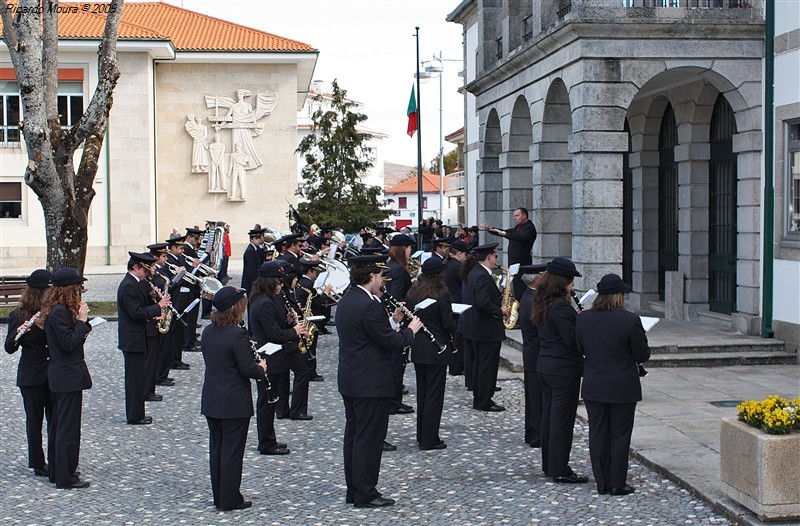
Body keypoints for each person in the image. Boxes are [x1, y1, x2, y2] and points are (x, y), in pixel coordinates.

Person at [337, 254, 422, 508]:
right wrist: (410, 331)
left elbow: (368, 332)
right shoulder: (369, 304)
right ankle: (365, 492)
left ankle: (355, 489)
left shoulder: (349, 299)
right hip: (370, 383)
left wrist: (392, 321)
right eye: (380, 276)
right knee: (369, 439)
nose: (383, 281)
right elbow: (390, 341)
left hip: (352, 379)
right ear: (371, 276)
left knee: (354, 436)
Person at [576, 273, 650, 496]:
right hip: (622, 384)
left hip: (595, 382)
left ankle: (601, 481)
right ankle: (617, 482)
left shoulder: (583, 319)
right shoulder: (629, 320)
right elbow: (642, 353)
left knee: (597, 433)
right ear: (619, 296)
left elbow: (580, 348)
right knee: (619, 434)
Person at [200, 286, 267, 511]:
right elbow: (248, 369)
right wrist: (261, 367)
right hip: (233, 401)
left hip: (212, 398)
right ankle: (229, 499)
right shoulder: (238, 333)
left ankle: (220, 494)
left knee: (217, 449)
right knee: (231, 452)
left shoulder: (209, 331)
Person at [531, 257, 587, 484]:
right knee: (561, 420)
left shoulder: (543, 301)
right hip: (562, 369)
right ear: (561, 282)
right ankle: (560, 468)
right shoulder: (561, 307)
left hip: (546, 365)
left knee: (550, 417)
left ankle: (550, 464)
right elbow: (572, 340)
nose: (572, 286)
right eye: (570, 281)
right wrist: (582, 323)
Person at [41, 267, 92, 489]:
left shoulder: (57, 310)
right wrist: (82, 322)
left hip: (63, 375)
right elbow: (69, 343)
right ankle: (65, 475)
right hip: (66, 376)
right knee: (67, 428)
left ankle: (57, 470)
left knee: (60, 425)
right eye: (77, 288)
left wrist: (82, 326)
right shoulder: (60, 312)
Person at [248, 261, 302, 455]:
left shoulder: (269, 300)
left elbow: (275, 325)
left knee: (271, 401)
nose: (282, 284)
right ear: (270, 282)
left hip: (275, 357)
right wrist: (294, 331)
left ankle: (270, 439)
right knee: (267, 401)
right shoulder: (263, 303)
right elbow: (273, 334)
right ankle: (266, 442)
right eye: (279, 281)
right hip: (268, 357)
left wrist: (287, 320)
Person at [4, 269, 53, 478]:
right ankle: (37, 462)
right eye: (48, 289)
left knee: (55, 418)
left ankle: (57, 458)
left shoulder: (53, 312)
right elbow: (9, 347)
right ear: (39, 291)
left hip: (53, 373)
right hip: (31, 375)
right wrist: (18, 333)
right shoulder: (19, 315)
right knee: (34, 420)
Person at [406, 257, 456, 450]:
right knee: (434, 396)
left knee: (423, 393)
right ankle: (429, 438)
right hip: (437, 349)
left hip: (418, 347)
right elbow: (447, 323)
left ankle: (422, 434)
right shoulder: (441, 293)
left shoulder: (413, 292)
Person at [117, 252, 171, 425]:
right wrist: (158, 307)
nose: (148, 274)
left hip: (139, 338)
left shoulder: (136, 283)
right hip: (133, 340)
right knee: (134, 380)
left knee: (139, 378)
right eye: (144, 270)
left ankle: (138, 412)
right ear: (135, 267)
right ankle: (134, 415)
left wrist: (153, 298)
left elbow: (142, 306)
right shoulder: (128, 286)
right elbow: (136, 313)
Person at [459, 243, 508, 412]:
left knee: (480, 365)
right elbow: (482, 303)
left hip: (476, 328)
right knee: (487, 366)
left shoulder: (474, 273)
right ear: (488, 257)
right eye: (495, 256)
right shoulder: (481, 275)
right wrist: (500, 310)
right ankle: (484, 400)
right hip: (485, 329)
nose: (496, 259)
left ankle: (480, 398)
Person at [517, 264, 548, 447]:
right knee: (536, 399)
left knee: (534, 397)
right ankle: (536, 435)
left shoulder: (530, 296)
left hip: (532, 355)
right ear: (536, 279)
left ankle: (532, 432)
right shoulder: (533, 300)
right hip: (535, 355)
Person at [386, 233, 416, 416]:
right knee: (397, 364)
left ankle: (394, 400)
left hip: (394, 319)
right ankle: (394, 402)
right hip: (399, 320)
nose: (410, 251)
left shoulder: (391, 266)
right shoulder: (398, 269)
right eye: (409, 248)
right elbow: (396, 297)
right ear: (402, 249)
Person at [481, 207, 538, 300]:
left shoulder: (529, 227)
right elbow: (506, 231)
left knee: (521, 287)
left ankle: (521, 306)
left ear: (524, 216)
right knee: (515, 285)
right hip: (514, 262)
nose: (515, 218)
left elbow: (519, 237)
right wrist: (490, 229)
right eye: (514, 216)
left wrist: (504, 234)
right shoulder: (518, 227)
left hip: (522, 263)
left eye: (517, 215)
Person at [445, 240, 469, 376]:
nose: (465, 257)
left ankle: (455, 365)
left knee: (455, 337)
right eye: (464, 254)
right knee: (458, 338)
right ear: (459, 253)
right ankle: (456, 367)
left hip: (452, 302)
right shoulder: (457, 266)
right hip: (458, 303)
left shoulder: (448, 263)